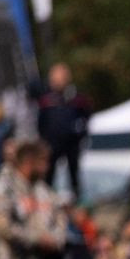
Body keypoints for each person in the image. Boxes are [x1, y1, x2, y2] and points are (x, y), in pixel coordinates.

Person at [34, 63, 92, 202]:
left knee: (74, 174)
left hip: (72, 143)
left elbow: (86, 117)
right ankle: (46, 200)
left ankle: (78, 202)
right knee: (48, 174)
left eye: (59, 78)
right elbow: (41, 122)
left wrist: (80, 132)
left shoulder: (77, 98)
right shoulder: (46, 99)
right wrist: (43, 141)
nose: (56, 82)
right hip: (52, 144)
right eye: (54, 78)